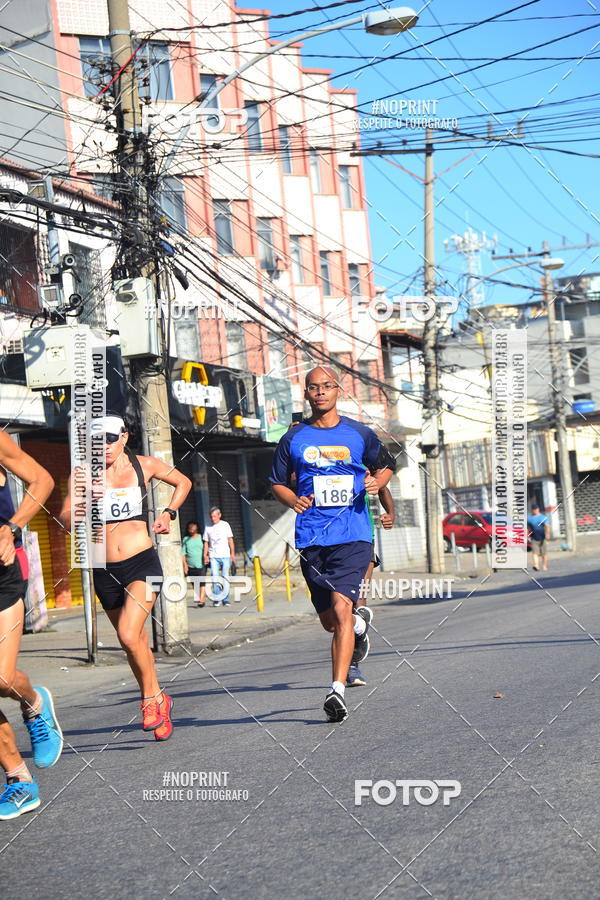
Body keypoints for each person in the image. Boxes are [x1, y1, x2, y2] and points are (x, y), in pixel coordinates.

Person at [270, 366, 395, 723]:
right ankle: (358, 628)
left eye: (327, 386)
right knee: (330, 621)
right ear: (306, 394)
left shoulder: (359, 433)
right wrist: (292, 499)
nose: (321, 392)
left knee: (342, 610)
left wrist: (378, 484)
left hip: (353, 534)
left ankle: (336, 690)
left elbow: (387, 466)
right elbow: (276, 482)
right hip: (312, 537)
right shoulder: (293, 438)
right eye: (314, 387)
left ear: (338, 390)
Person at [60, 414, 191, 742]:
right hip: (103, 568)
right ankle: (159, 698)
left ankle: (148, 700)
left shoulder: (144, 465)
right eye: (96, 441)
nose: (103, 446)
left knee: (128, 633)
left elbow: (183, 483)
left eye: (109, 439)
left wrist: (168, 513)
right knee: (133, 642)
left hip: (141, 564)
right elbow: (64, 516)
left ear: (123, 437)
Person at [0, 432, 59, 820]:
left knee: (2, 679)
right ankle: (19, 780)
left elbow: (43, 480)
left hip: (2, 572)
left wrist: (13, 526)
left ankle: (34, 703)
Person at [348, 483, 395, 688]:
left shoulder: (363, 465)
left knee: (358, 599)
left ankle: (352, 664)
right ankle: (359, 629)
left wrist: (391, 514)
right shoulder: (312, 466)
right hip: (325, 542)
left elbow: (382, 486)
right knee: (334, 614)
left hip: (363, 537)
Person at [203, 508, 236, 606]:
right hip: (213, 556)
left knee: (225, 576)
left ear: (219, 515)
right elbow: (206, 542)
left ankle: (226, 599)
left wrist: (232, 554)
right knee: (214, 577)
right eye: (211, 517)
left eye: (214, 516)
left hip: (225, 555)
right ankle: (217, 598)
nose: (213, 518)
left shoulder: (225, 525)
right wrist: (205, 555)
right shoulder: (208, 526)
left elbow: (230, 540)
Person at [182, 521, 207, 608]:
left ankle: (201, 600)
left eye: (193, 529)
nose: (192, 530)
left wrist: (206, 556)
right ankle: (201, 598)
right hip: (190, 565)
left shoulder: (201, 537)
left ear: (197, 529)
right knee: (195, 584)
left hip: (201, 564)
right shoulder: (186, 539)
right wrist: (185, 565)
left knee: (202, 583)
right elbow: (183, 553)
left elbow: (206, 548)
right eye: (190, 529)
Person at [528, 504, 550, 571]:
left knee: (544, 553)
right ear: (532, 510)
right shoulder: (529, 518)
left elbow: (547, 526)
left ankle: (544, 566)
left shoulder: (542, 517)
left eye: (536, 509)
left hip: (542, 537)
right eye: (534, 509)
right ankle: (536, 565)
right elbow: (527, 527)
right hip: (534, 538)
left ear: (538, 509)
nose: (535, 510)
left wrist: (547, 534)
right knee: (535, 553)